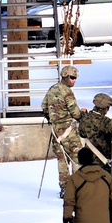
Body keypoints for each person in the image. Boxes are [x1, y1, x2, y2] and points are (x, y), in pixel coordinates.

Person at [42, 63, 84, 197]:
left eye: (75, 77)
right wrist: (83, 114)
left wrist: (52, 118)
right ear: (65, 77)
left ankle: (65, 188)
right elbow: (75, 113)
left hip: (56, 132)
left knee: (61, 160)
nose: (74, 80)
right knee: (76, 158)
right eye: (72, 77)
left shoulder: (52, 89)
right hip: (69, 131)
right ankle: (77, 188)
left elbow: (44, 106)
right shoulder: (68, 92)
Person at [79, 92, 112, 172]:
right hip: (104, 162)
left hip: (88, 160)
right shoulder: (106, 122)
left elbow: (82, 134)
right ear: (105, 108)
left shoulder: (84, 119)